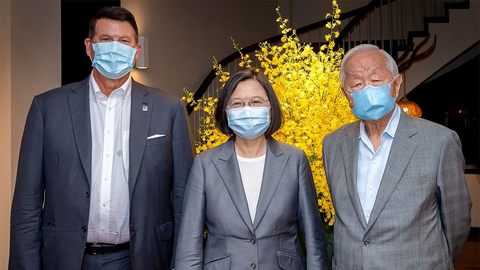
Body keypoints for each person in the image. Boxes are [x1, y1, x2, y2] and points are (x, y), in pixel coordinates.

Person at [9, 6, 193, 270]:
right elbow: (27, 202)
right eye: (106, 40)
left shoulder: (169, 109)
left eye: (124, 41)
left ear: (136, 51)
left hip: (142, 258)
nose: (115, 48)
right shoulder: (47, 107)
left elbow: (185, 202)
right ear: (89, 46)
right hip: (66, 258)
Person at [322, 44, 472, 269]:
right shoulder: (333, 144)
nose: (367, 89)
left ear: (396, 84)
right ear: (347, 94)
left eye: (375, 80)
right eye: (357, 84)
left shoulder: (439, 141)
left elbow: (456, 221)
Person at [175, 68, 328, 270]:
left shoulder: (294, 160)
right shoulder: (206, 164)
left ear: (270, 107)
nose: (247, 109)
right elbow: (189, 246)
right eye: (237, 103)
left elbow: (314, 240)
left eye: (256, 102)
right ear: (225, 111)